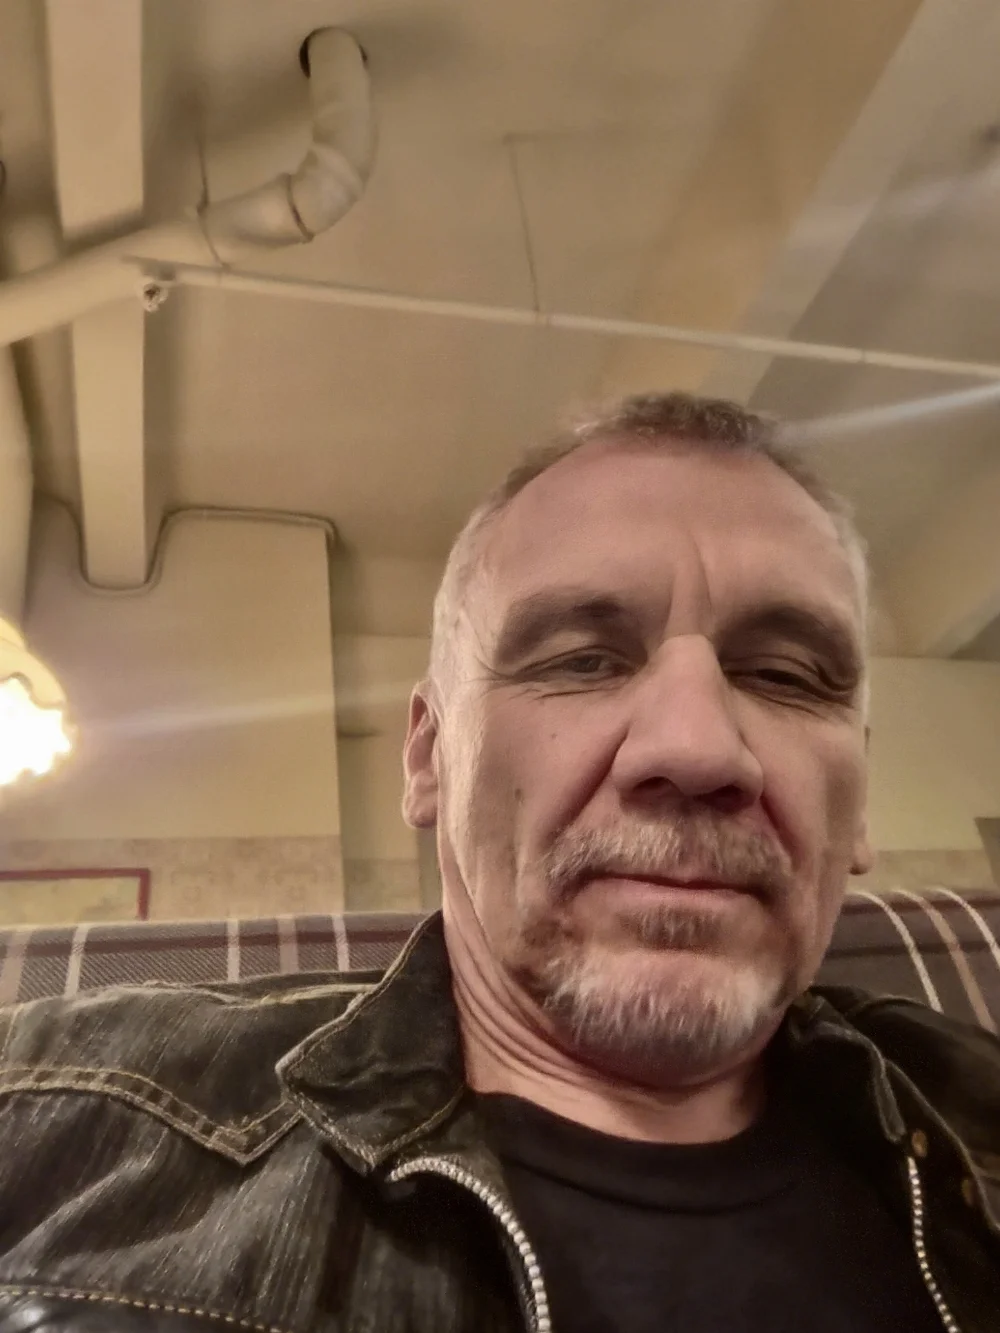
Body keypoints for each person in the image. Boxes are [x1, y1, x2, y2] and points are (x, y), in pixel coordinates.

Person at [1, 392, 998, 1333]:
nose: (696, 748)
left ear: (857, 799)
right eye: (581, 660)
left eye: (784, 675)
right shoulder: (51, 1110)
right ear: (430, 755)